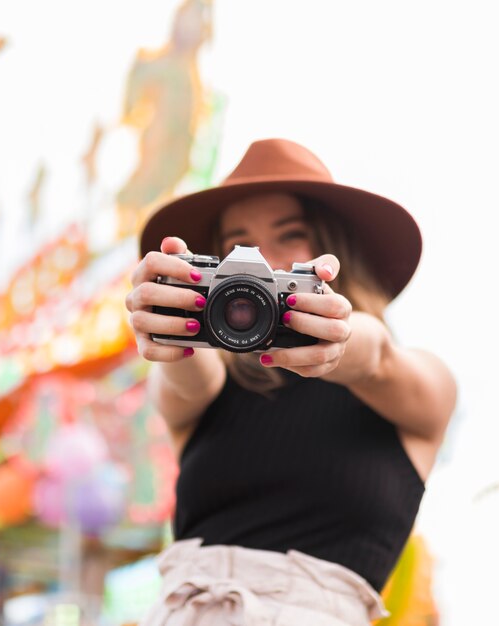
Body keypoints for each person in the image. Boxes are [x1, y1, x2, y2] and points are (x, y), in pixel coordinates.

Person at [125, 138, 457, 625]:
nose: (262, 260)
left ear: (333, 251)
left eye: (290, 235)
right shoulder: (209, 387)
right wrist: (168, 323)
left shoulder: (415, 385)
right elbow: (183, 384)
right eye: (236, 244)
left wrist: (337, 338)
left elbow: (376, 356)